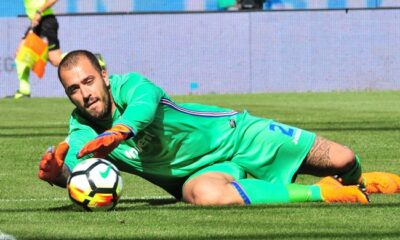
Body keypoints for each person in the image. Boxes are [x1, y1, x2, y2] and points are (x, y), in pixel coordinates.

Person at [38, 50, 400, 206]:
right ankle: (322, 194)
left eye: (88, 81)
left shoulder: (131, 85)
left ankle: (360, 181)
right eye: (73, 89)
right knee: (204, 195)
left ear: (103, 75)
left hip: (237, 134)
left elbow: (145, 106)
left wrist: (121, 131)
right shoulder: (81, 129)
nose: (84, 94)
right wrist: (61, 175)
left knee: (343, 158)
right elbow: (84, 169)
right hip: (202, 175)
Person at [8, 0, 62, 99]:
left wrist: (39, 12)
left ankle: (93, 60)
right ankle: (24, 91)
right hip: (36, 23)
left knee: (55, 60)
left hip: (46, 21)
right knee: (20, 54)